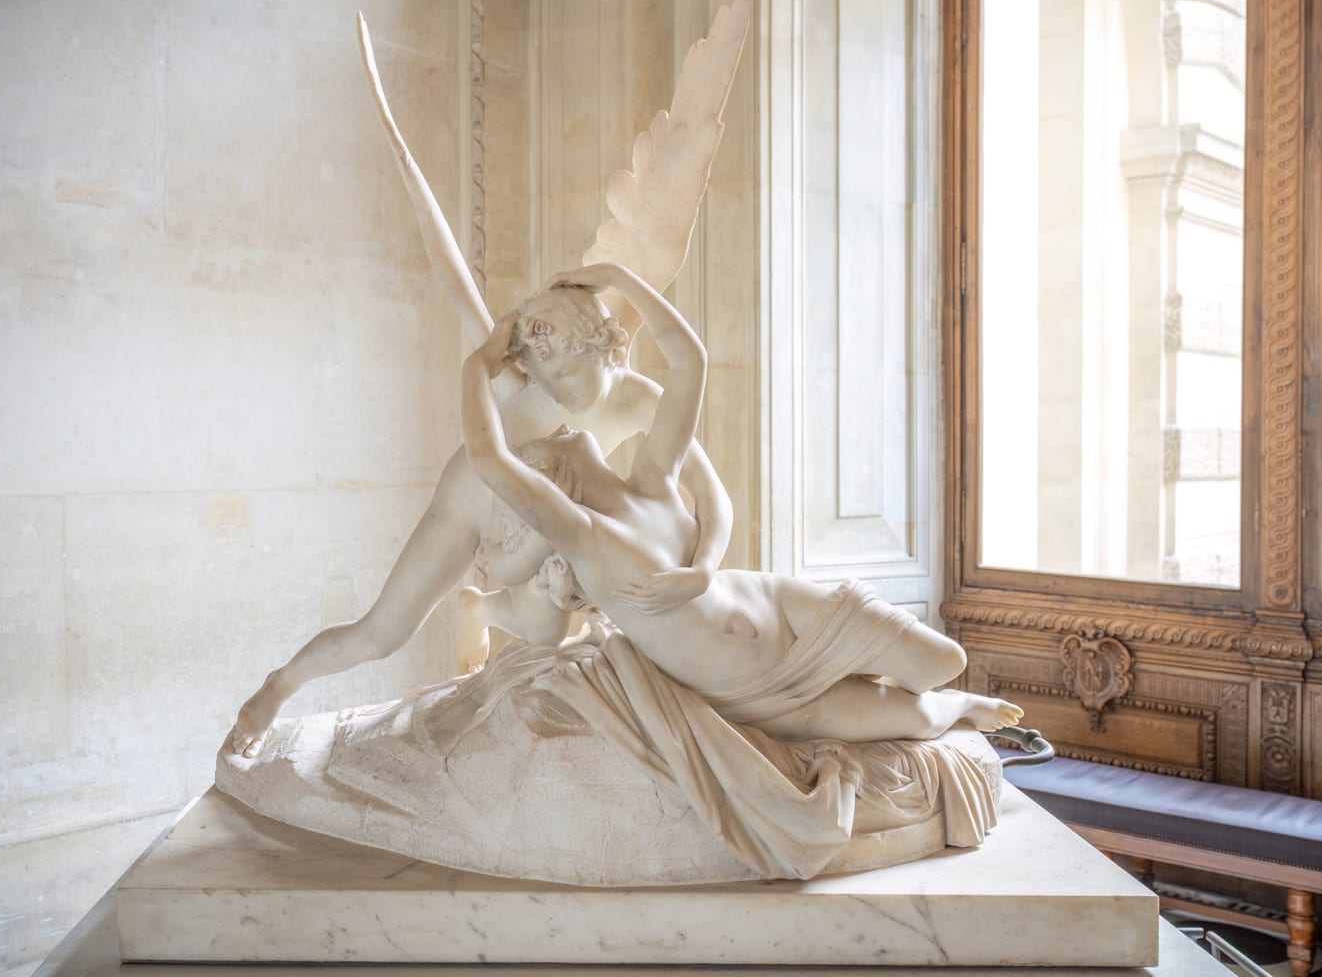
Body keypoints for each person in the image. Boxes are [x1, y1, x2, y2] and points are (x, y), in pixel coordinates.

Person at [462, 262, 1023, 744]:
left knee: (945, 661)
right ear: (557, 482)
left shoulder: (652, 477)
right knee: (924, 716)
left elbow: (691, 363)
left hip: (781, 608)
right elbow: (489, 459)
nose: (561, 423)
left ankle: (926, 689)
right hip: (753, 690)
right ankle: (962, 709)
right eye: (547, 444)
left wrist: (617, 278)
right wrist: (477, 367)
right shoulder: (582, 533)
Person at [227, 283, 734, 759]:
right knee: (380, 634)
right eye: (543, 379)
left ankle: (485, 609)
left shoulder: (641, 399)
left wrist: (705, 570)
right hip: (470, 499)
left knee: (552, 628)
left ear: (601, 347)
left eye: (565, 375)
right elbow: (455, 281)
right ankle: (277, 688)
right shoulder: (524, 375)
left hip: (531, 519)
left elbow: (712, 497)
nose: (556, 392)